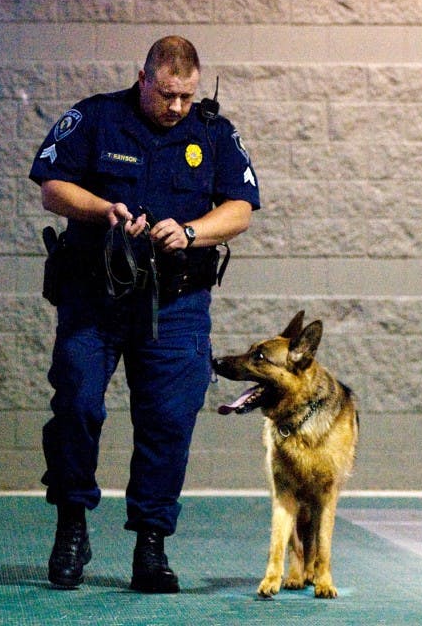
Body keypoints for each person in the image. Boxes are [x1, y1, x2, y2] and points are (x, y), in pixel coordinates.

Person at [28, 35, 260, 592]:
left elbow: (241, 208)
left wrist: (191, 232)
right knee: (77, 406)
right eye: (166, 94)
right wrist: (103, 209)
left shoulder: (215, 133)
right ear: (143, 79)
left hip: (175, 303)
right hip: (95, 297)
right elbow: (52, 188)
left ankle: (151, 546)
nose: (176, 106)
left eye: (186, 96)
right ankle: (72, 525)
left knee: (168, 422)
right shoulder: (95, 118)